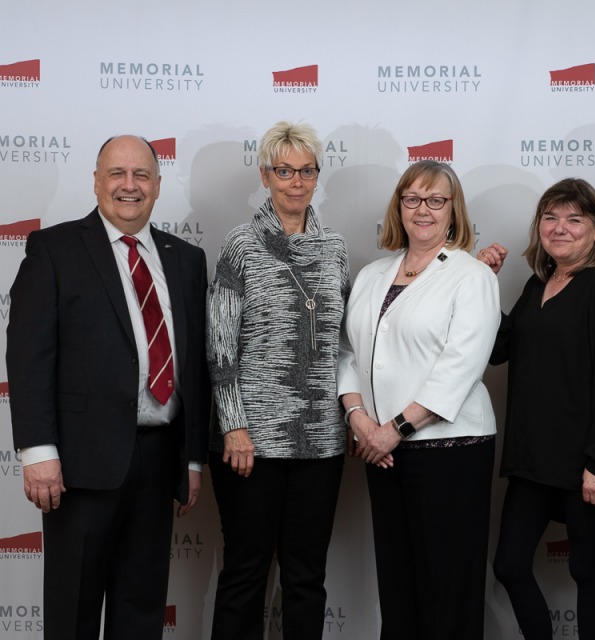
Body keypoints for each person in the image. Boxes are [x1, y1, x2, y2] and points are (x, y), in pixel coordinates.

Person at [6, 135, 210, 640]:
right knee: (73, 612)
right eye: (117, 174)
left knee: (141, 612)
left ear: (158, 186)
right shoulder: (54, 249)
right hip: (79, 465)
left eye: (141, 175)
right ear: (96, 182)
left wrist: (191, 459)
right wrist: (37, 452)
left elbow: (196, 365)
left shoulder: (185, 259)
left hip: (159, 458)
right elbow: (28, 357)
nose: (129, 185)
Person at [337, 160, 500, 640]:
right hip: (382, 452)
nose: (423, 210)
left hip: (451, 450)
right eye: (412, 199)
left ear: (454, 210)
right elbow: (347, 351)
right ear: (399, 207)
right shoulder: (373, 274)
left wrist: (393, 430)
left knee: (447, 591)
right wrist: (359, 419)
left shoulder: (471, 276)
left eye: (436, 200)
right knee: (399, 586)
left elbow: (460, 365)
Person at [206, 121, 349, 640]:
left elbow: (343, 343)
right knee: (245, 574)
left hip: (321, 443)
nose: (295, 181)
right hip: (252, 443)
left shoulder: (334, 248)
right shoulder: (240, 245)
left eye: (305, 170)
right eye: (284, 170)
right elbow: (220, 346)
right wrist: (234, 426)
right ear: (265, 175)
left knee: (307, 578)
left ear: (317, 175)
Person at [478, 178, 595, 640]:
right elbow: (499, 348)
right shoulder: (536, 283)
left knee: (585, 569)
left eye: (574, 219)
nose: (559, 227)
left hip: (584, 461)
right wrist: (481, 282)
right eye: (550, 217)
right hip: (532, 458)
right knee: (508, 564)